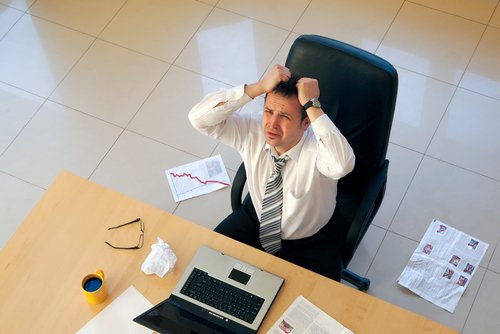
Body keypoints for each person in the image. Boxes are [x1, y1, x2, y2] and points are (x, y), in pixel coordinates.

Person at [188, 64, 355, 281]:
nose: (272, 125)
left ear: (306, 123)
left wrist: (312, 105)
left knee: (312, 307)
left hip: (312, 239)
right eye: (268, 111)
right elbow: (198, 119)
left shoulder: (318, 148)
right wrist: (257, 88)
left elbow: (343, 165)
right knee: (203, 272)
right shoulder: (253, 129)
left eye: (284, 116)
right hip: (256, 219)